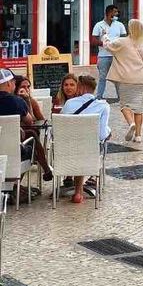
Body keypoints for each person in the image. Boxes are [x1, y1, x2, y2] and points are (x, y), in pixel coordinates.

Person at [61, 74, 111, 204]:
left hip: (67, 151)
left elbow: (59, 128)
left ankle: (77, 191)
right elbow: (102, 135)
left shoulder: (69, 103)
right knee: (85, 145)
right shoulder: (103, 106)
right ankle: (80, 191)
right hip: (90, 152)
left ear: (81, 88)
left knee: (78, 146)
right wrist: (109, 132)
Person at [106, 19, 143, 143]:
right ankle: (138, 135)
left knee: (124, 105)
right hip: (140, 79)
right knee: (138, 108)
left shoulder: (122, 42)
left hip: (125, 79)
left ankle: (131, 123)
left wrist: (105, 37)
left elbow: (108, 46)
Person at [0, 68, 52, 182]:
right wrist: (26, 100)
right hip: (13, 152)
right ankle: (16, 187)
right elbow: (30, 121)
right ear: (9, 83)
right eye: (14, 82)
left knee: (30, 134)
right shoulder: (16, 101)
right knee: (32, 136)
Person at [91, 5, 126, 99]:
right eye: (114, 12)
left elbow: (124, 39)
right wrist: (103, 43)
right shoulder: (99, 25)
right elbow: (93, 40)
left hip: (116, 55)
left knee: (118, 77)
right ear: (108, 13)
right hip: (103, 56)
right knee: (102, 77)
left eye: (117, 12)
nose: (116, 14)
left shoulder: (120, 25)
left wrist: (118, 44)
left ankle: (121, 97)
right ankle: (99, 97)